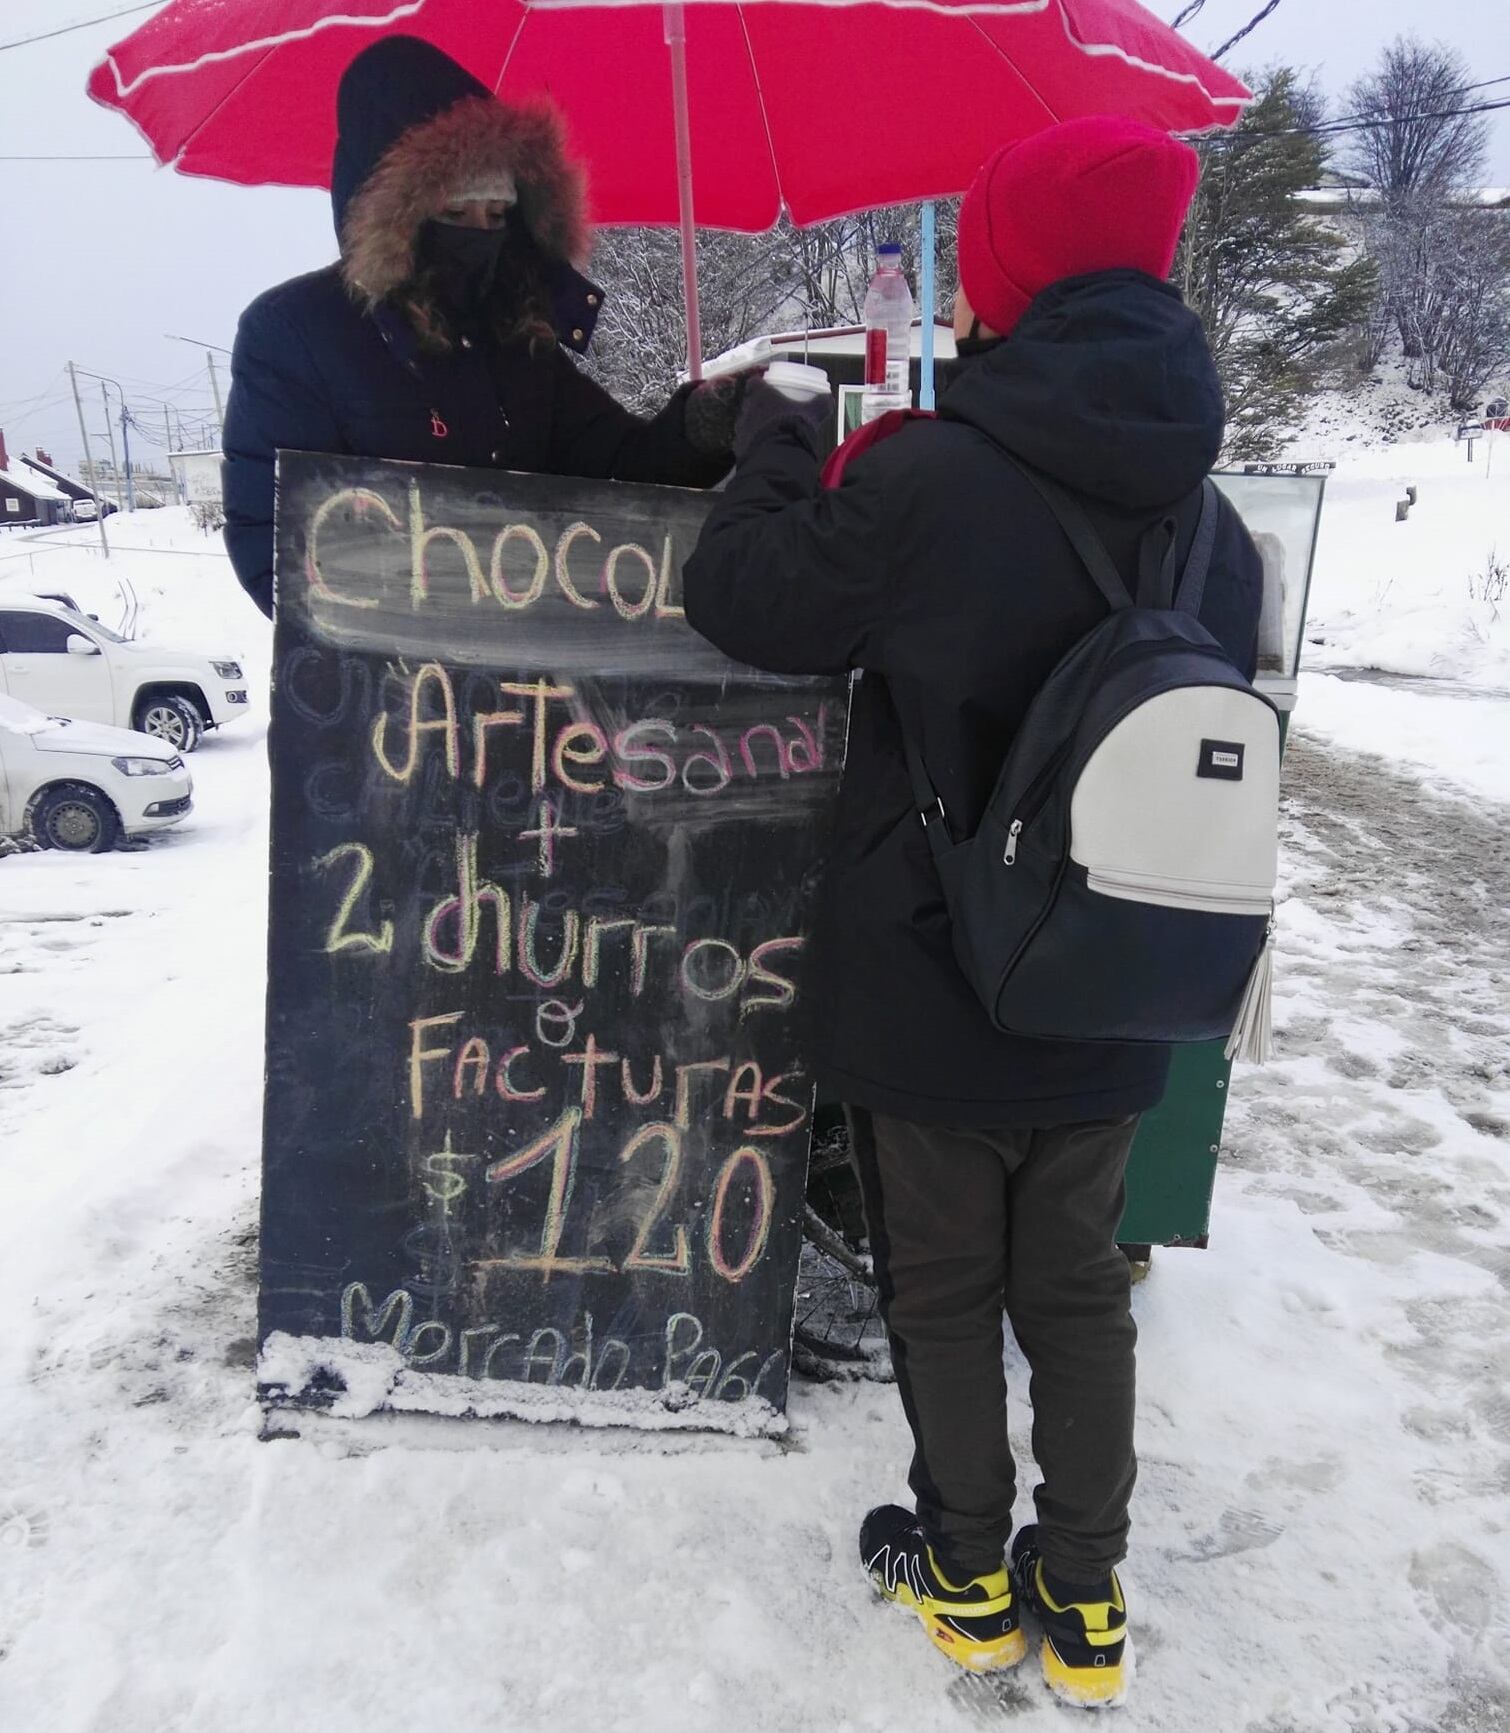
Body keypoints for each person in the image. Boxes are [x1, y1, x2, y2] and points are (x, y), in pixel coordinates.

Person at [684, 116, 1262, 1708]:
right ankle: (1081, 1603)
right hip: (1117, 972)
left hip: (935, 985)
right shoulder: (1216, 528)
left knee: (940, 1292)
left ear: (1005, 268)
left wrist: (782, 432)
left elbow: (745, 599)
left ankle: (957, 1569)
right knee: (1071, 1289)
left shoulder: (929, 475)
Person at [223, 35, 739, 617]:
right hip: (387, 692)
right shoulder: (295, 334)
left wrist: (700, 426)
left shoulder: (518, 340)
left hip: (530, 688)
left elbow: (620, 464)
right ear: (393, 213)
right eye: (454, 213)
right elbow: (273, 546)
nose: (479, 233)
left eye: (496, 214)